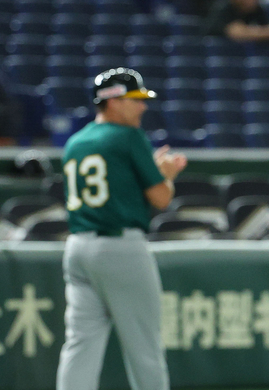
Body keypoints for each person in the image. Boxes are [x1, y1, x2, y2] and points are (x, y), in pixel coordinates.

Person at [56, 68, 187, 390]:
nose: (142, 106)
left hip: (78, 249)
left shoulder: (75, 142)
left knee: (80, 345)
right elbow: (161, 197)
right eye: (135, 99)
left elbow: (117, 183)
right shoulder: (128, 137)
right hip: (119, 248)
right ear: (113, 101)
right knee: (145, 347)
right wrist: (167, 175)